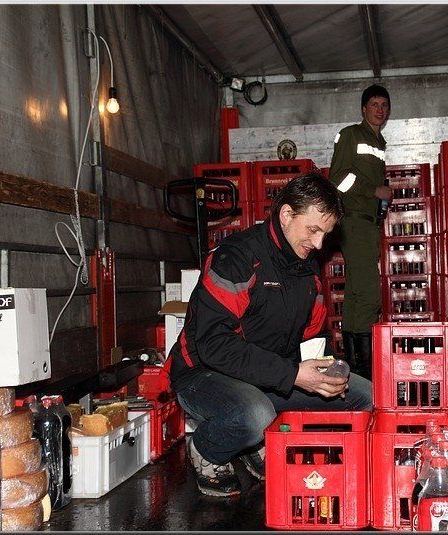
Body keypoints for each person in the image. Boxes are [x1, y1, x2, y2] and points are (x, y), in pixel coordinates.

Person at [168, 173, 373, 497]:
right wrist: (293, 375)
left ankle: (254, 442)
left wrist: (328, 369)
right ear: (287, 214)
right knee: (254, 414)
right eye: (313, 230)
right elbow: (213, 345)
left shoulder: (308, 269)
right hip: (204, 374)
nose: (319, 244)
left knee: (362, 395)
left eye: (326, 234)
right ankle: (207, 449)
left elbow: (313, 335)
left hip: (269, 376)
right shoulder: (236, 258)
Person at [329, 84, 392, 380]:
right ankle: (366, 369)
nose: (380, 110)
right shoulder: (351, 135)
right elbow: (337, 178)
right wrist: (373, 190)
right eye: (374, 104)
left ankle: (354, 366)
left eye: (384, 105)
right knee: (368, 293)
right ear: (363, 109)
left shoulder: (378, 142)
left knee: (356, 292)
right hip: (354, 220)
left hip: (367, 222)